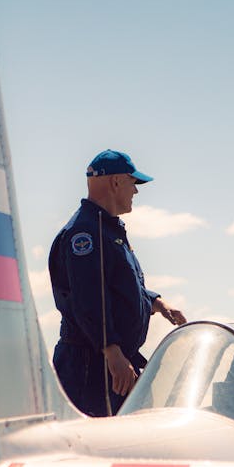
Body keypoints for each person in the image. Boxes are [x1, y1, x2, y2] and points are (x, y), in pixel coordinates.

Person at [49, 149, 187, 416]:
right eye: (133, 183)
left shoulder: (106, 229)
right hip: (91, 366)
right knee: (93, 448)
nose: (135, 192)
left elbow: (120, 288)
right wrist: (111, 351)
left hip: (111, 363)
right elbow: (88, 297)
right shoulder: (85, 233)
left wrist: (157, 302)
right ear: (115, 182)